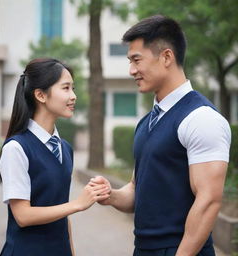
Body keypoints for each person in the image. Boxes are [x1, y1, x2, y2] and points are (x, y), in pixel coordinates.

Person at [90, 15, 231, 256]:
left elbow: (208, 202)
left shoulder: (201, 118)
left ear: (166, 57)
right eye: (129, 61)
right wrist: (110, 195)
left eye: (137, 60)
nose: (131, 70)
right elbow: (137, 189)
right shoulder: (148, 121)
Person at [0, 58, 110, 256]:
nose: (73, 96)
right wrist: (77, 204)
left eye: (73, 88)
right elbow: (22, 215)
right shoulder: (16, 148)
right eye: (65, 88)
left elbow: (62, 213)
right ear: (40, 95)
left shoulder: (65, 149)